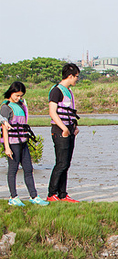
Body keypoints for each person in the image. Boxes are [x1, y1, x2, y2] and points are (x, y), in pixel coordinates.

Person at [1, 82, 49, 207]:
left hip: (23, 142)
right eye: (16, 95)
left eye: (20, 96)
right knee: (13, 170)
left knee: (28, 169)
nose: (18, 98)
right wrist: (7, 147)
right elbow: (4, 127)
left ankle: (34, 196)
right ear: (11, 92)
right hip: (12, 143)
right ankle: (13, 197)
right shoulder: (6, 107)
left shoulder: (21, 105)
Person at [47, 63, 81, 202]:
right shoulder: (56, 90)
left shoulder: (69, 91)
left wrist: (74, 126)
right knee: (61, 163)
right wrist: (64, 129)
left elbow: (70, 112)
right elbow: (52, 112)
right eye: (76, 77)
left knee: (66, 163)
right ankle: (51, 194)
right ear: (70, 76)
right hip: (60, 130)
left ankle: (62, 194)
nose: (77, 79)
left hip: (70, 130)